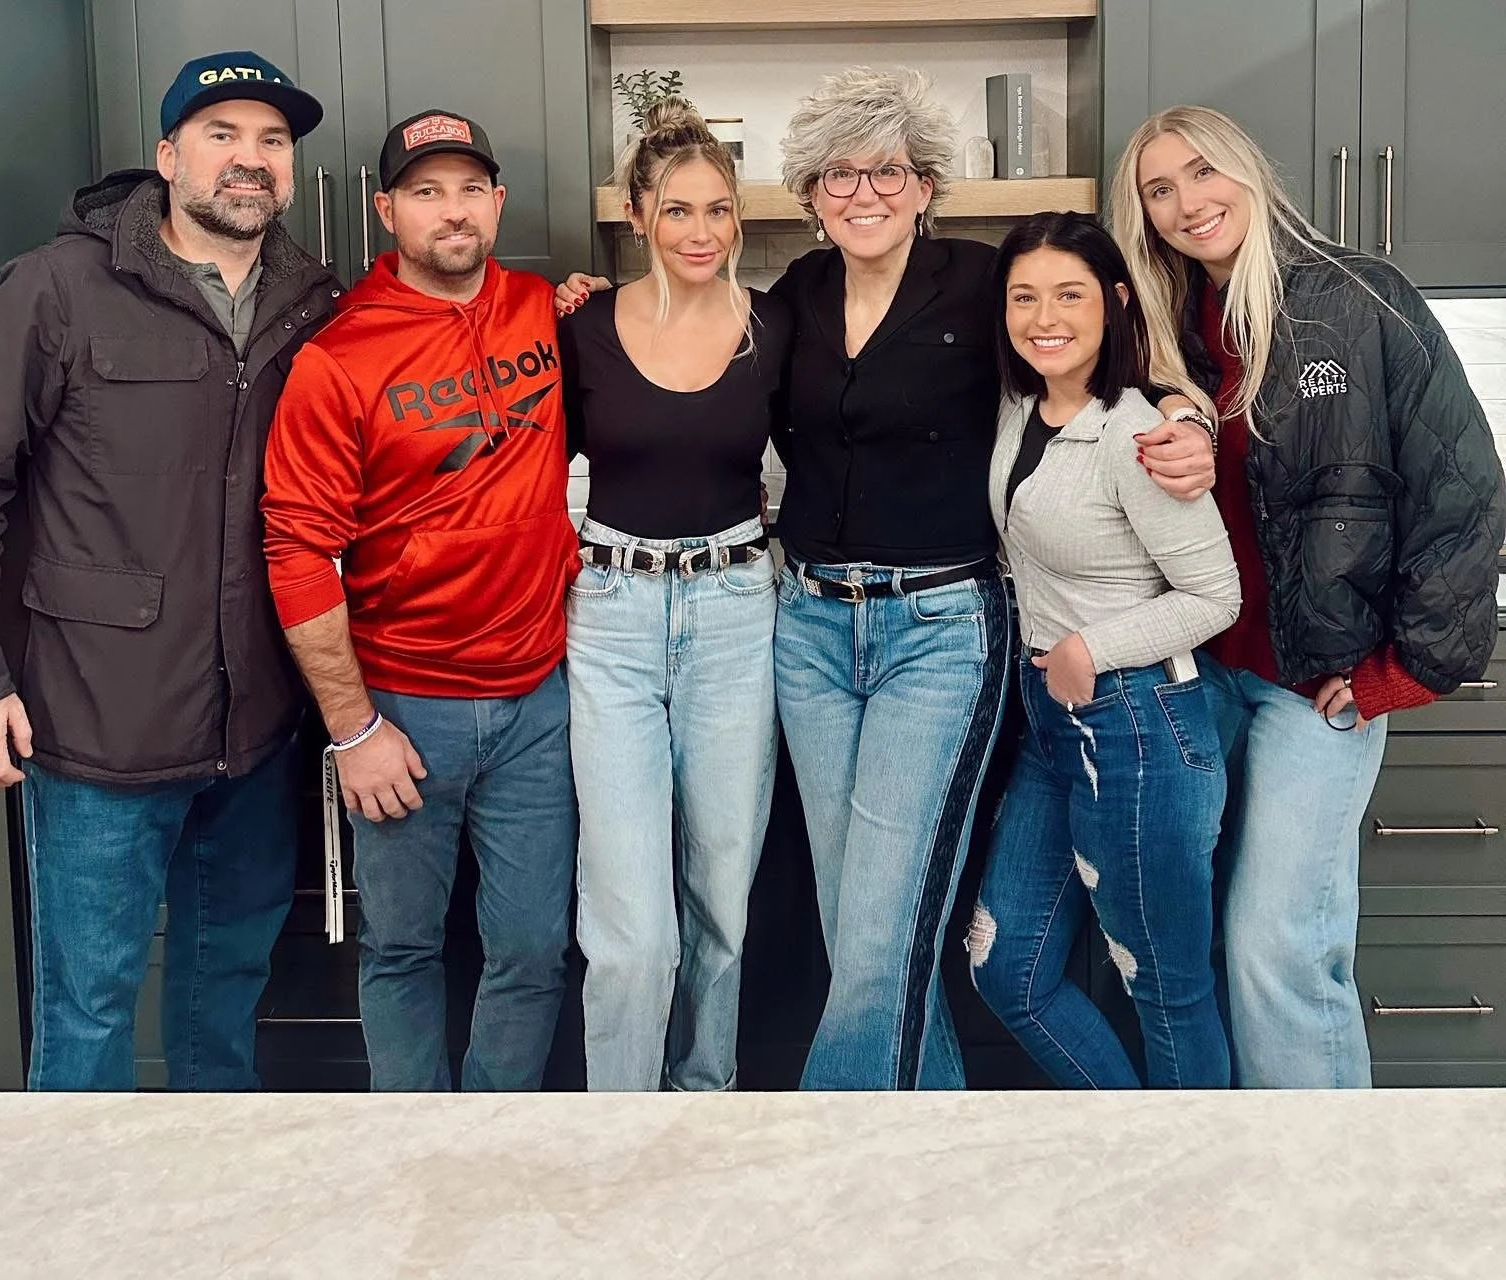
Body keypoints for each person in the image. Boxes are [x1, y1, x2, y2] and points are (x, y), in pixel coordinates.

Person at [765, 66, 1217, 1090]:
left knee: (886, 919)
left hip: (938, 627)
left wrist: (1187, 418)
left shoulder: (982, 282)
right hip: (812, 627)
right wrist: (591, 300)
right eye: (839, 173)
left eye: (888, 169)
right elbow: (702, 352)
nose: (864, 192)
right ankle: (930, 1137)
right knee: (868, 915)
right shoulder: (796, 294)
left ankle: (831, 1151)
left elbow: (1121, 355)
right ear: (810, 194)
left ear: (927, 184)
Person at [1112, 105, 1505, 1087]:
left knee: (1278, 946)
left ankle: (1323, 1203)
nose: (1186, 203)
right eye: (1159, 188)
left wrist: (1407, 668)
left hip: (1310, 683)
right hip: (1195, 675)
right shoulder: (1160, 327)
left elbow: (1466, 482)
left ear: (1250, 172)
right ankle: (1245, 1177)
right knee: (1194, 940)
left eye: (1203, 173)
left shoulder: (1361, 298)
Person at [0, 51, 336, 1089]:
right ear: (168, 156)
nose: (249, 159)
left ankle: (203, 1228)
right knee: (88, 1009)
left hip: (254, 729)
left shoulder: (312, 301)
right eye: (222, 134)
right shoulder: (58, 288)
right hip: (95, 727)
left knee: (225, 994)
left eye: (272, 140)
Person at [262, 109, 578, 1092]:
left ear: (499, 201)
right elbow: (298, 547)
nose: (453, 210)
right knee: (403, 950)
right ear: (387, 208)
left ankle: (490, 1147)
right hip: (405, 705)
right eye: (427, 190)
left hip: (540, 699)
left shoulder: (545, 308)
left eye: (470, 188)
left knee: (532, 949)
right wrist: (354, 729)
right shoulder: (338, 356)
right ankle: (414, 1159)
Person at [966, 212, 1241, 1088]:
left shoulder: (1140, 440)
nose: (1046, 316)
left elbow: (1216, 595)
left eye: (1070, 294)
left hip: (1142, 725)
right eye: (1025, 297)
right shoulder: (1022, 408)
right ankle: (1130, 1142)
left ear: (1115, 301)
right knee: (1003, 967)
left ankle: (1193, 1198)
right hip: (1052, 727)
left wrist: (1094, 642)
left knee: (1165, 989)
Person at [558, 99, 789, 1090]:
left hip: (738, 608)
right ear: (637, 211)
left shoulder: (774, 326)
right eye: (680, 209)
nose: (702, 231)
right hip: (610, 612)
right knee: (629, 925)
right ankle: (621, 1126)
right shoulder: (581, 326)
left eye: (720, 210)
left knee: (722, 895)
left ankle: (703, 1100)